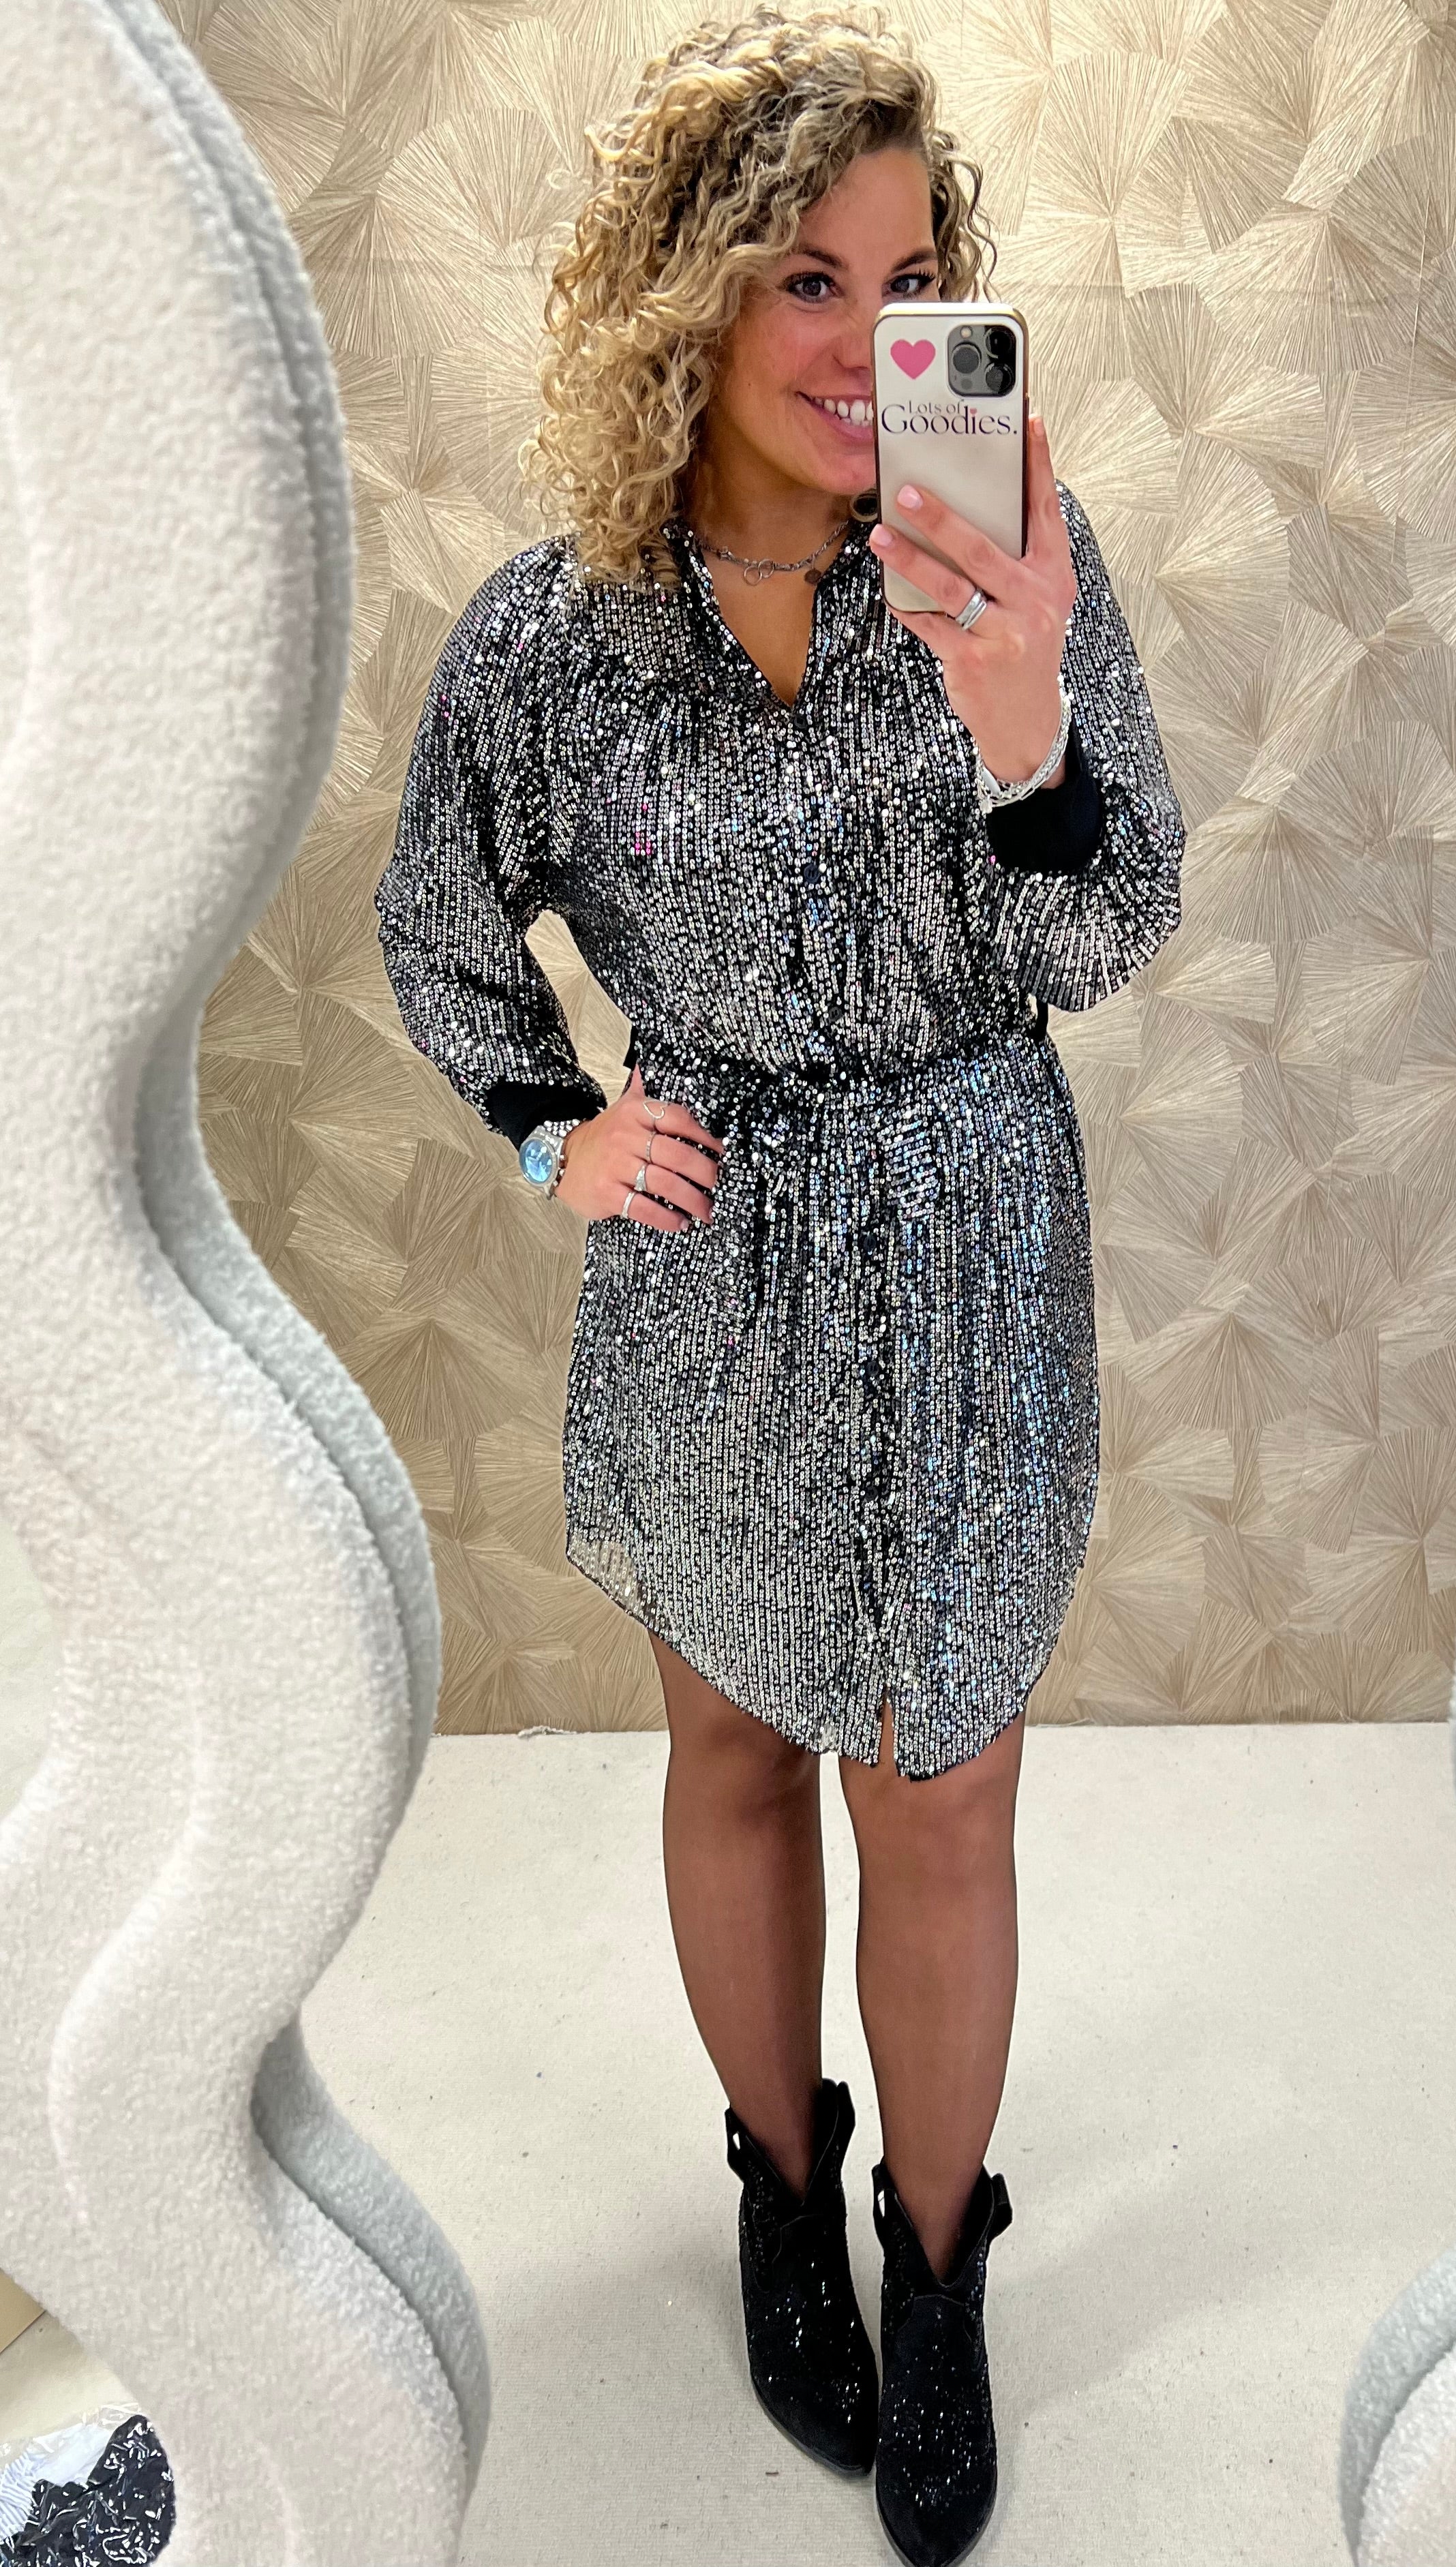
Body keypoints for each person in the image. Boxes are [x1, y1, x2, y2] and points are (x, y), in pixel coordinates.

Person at [374, 10, 1183, 2560]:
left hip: (970, 1236)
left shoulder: (1010, 555)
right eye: (807, 277)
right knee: (731, 1746)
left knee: (945, 1785)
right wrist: (556, 1133)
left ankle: (937, 2273)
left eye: (912, 281)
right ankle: (776, 2179)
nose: (868, 341)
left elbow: (1118, 919)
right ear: (690, 297)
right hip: (713, 1268)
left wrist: (1024, 715)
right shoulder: (551, 642)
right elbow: (441, 934)